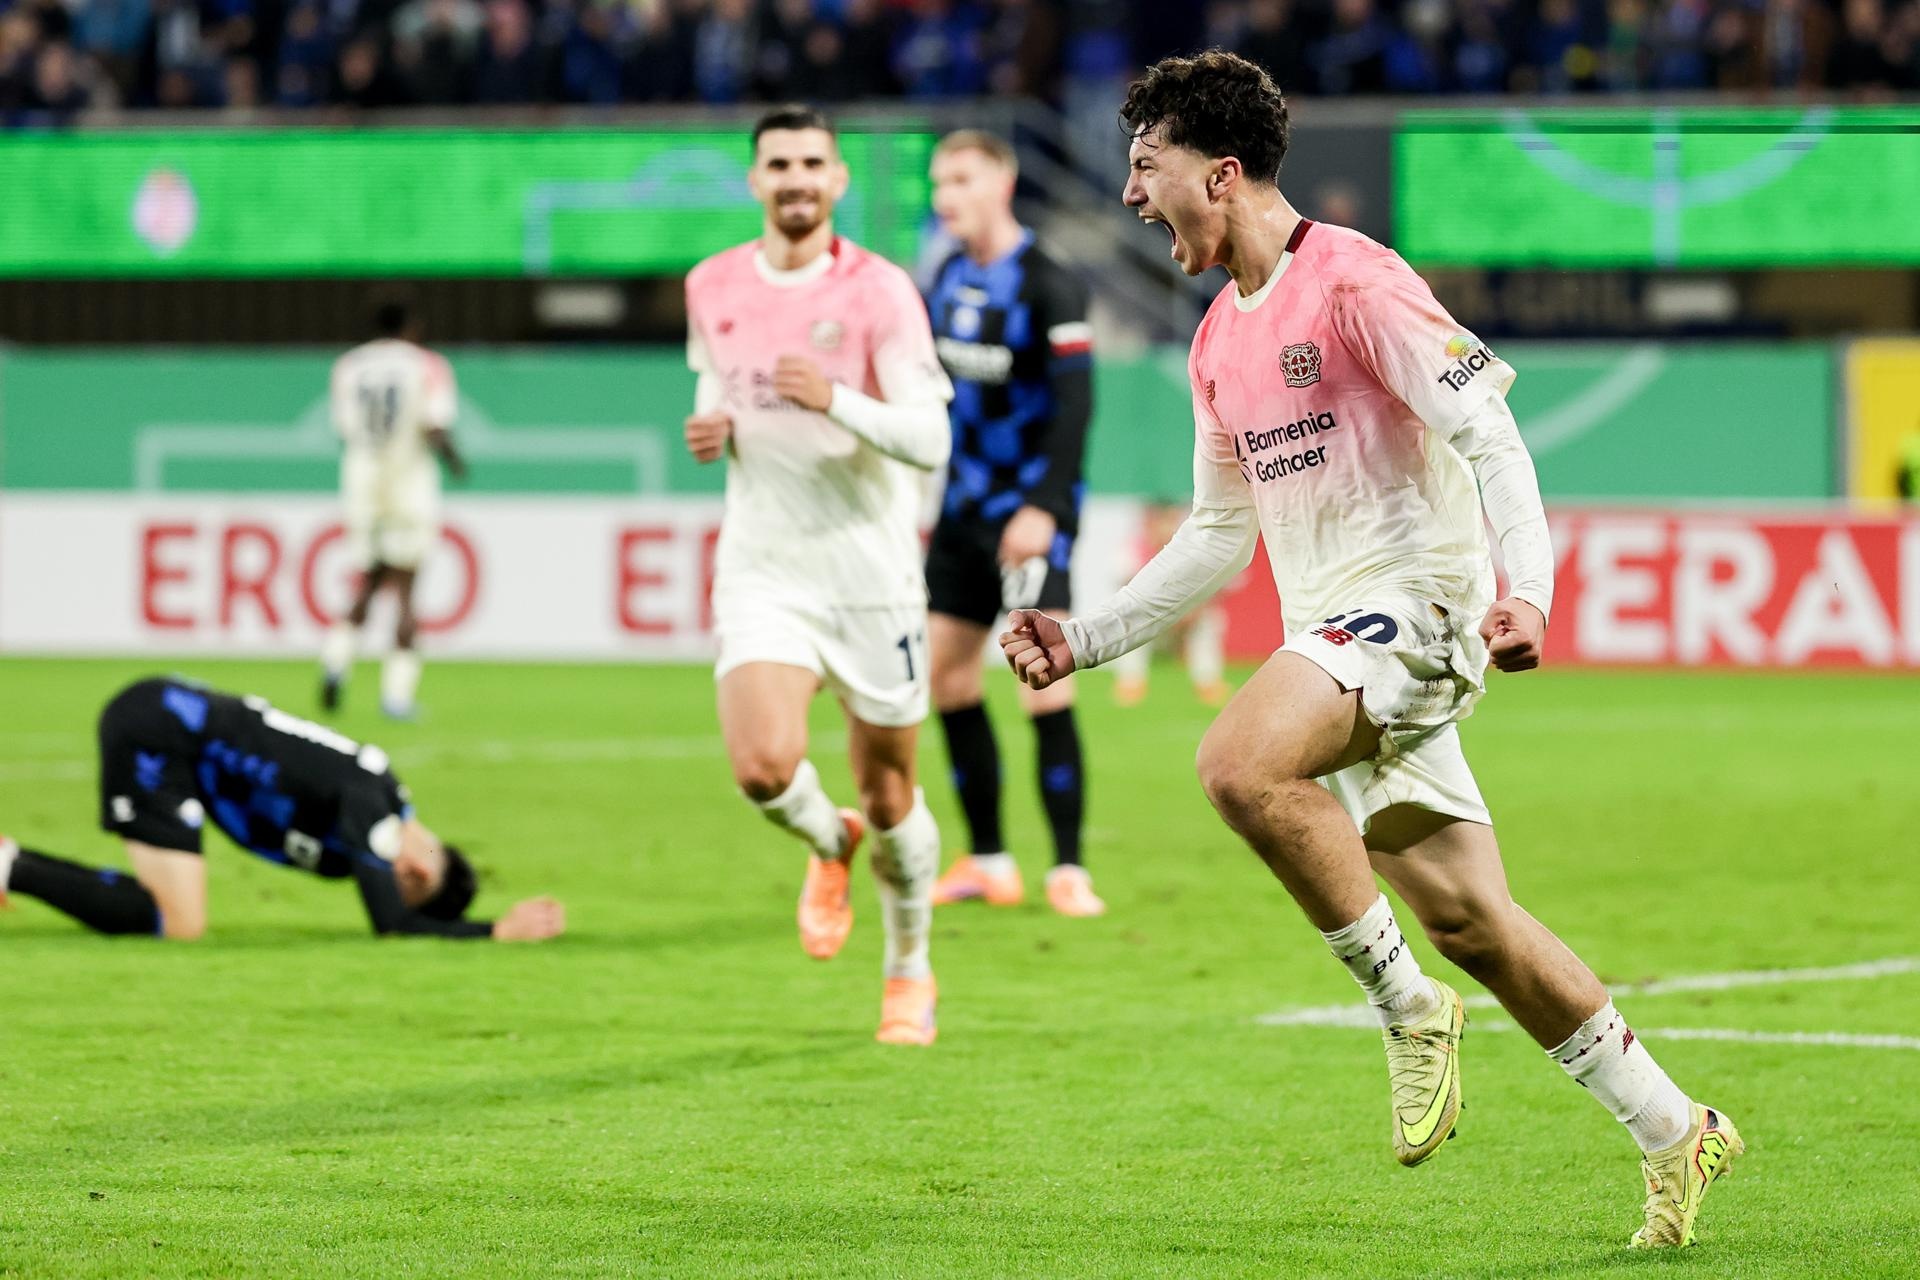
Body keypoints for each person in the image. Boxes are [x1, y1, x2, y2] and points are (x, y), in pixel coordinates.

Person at [1000, 51, 1740, 1249]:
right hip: (1340, 643)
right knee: (1475, 922)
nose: (1130, 194)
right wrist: (1084, 638)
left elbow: (1490, 434)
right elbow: (1217, 535)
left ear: (1221, 174)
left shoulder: (1355, 281)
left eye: (1146, 165)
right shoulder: (1214, 341)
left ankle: (1404, 1007)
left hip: (1418, 612)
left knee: (1239, 763)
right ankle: (1675, 1126)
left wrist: (1529, 591)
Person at [683, 105, 954, 1045]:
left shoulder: (880, 291)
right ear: (755, 181)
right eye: (778, 165)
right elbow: (717, 378)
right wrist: (713, 424)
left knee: (891, 795)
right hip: (764, 565)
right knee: (762, 768)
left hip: (870, 576)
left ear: (836, 180)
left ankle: (909, 966)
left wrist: (835, 397)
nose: (795, 179)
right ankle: (828, 839)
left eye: (811, 163)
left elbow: (930, 437)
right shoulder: (712, 283)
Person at [0, 677, 564, 943]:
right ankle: (10, 865)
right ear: (428, 850)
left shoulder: (353, 844)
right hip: (164, 728)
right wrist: (497, 932)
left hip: (172, 737)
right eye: (422, 867)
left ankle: (13, 865)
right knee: (182, 923)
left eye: (407, 885)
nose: (406, 869)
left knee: (174, 916)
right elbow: (392, 926)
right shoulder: (375, 807)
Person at [919, 129, 1104, 918]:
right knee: (947, 677)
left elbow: (1076, 404)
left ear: (1002, 182)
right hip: (961, 511)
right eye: (938, 182)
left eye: (961, 179)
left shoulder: (1047, 282)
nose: (945, 196)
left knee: (1042, 683)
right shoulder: (945, 277)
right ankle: (989, 859)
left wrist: (1044, 508)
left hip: (1027, 515)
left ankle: (1068, 868)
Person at [320, 290, 467, 721]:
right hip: (408, 482)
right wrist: (455, 462)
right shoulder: (427, 365)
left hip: (363, 482)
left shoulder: (349, 366)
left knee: (367, 582)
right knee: (406, 590)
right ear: (412, 327)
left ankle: (335, 661)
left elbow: (345, 429)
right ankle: (396, 696)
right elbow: (435, 425)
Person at [1111, 500, 1232, 708]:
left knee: (1210, 621)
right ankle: (1131, 685)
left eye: (1172, 519)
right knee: (1127, 623)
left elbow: (1215, 586)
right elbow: (1126, 593)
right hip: (1149, 619)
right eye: (1162, 520)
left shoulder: (1196, 547)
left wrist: (1189, 612)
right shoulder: (1134, 549)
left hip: (1188, 617)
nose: (1166, 526)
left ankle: (1208, 684)